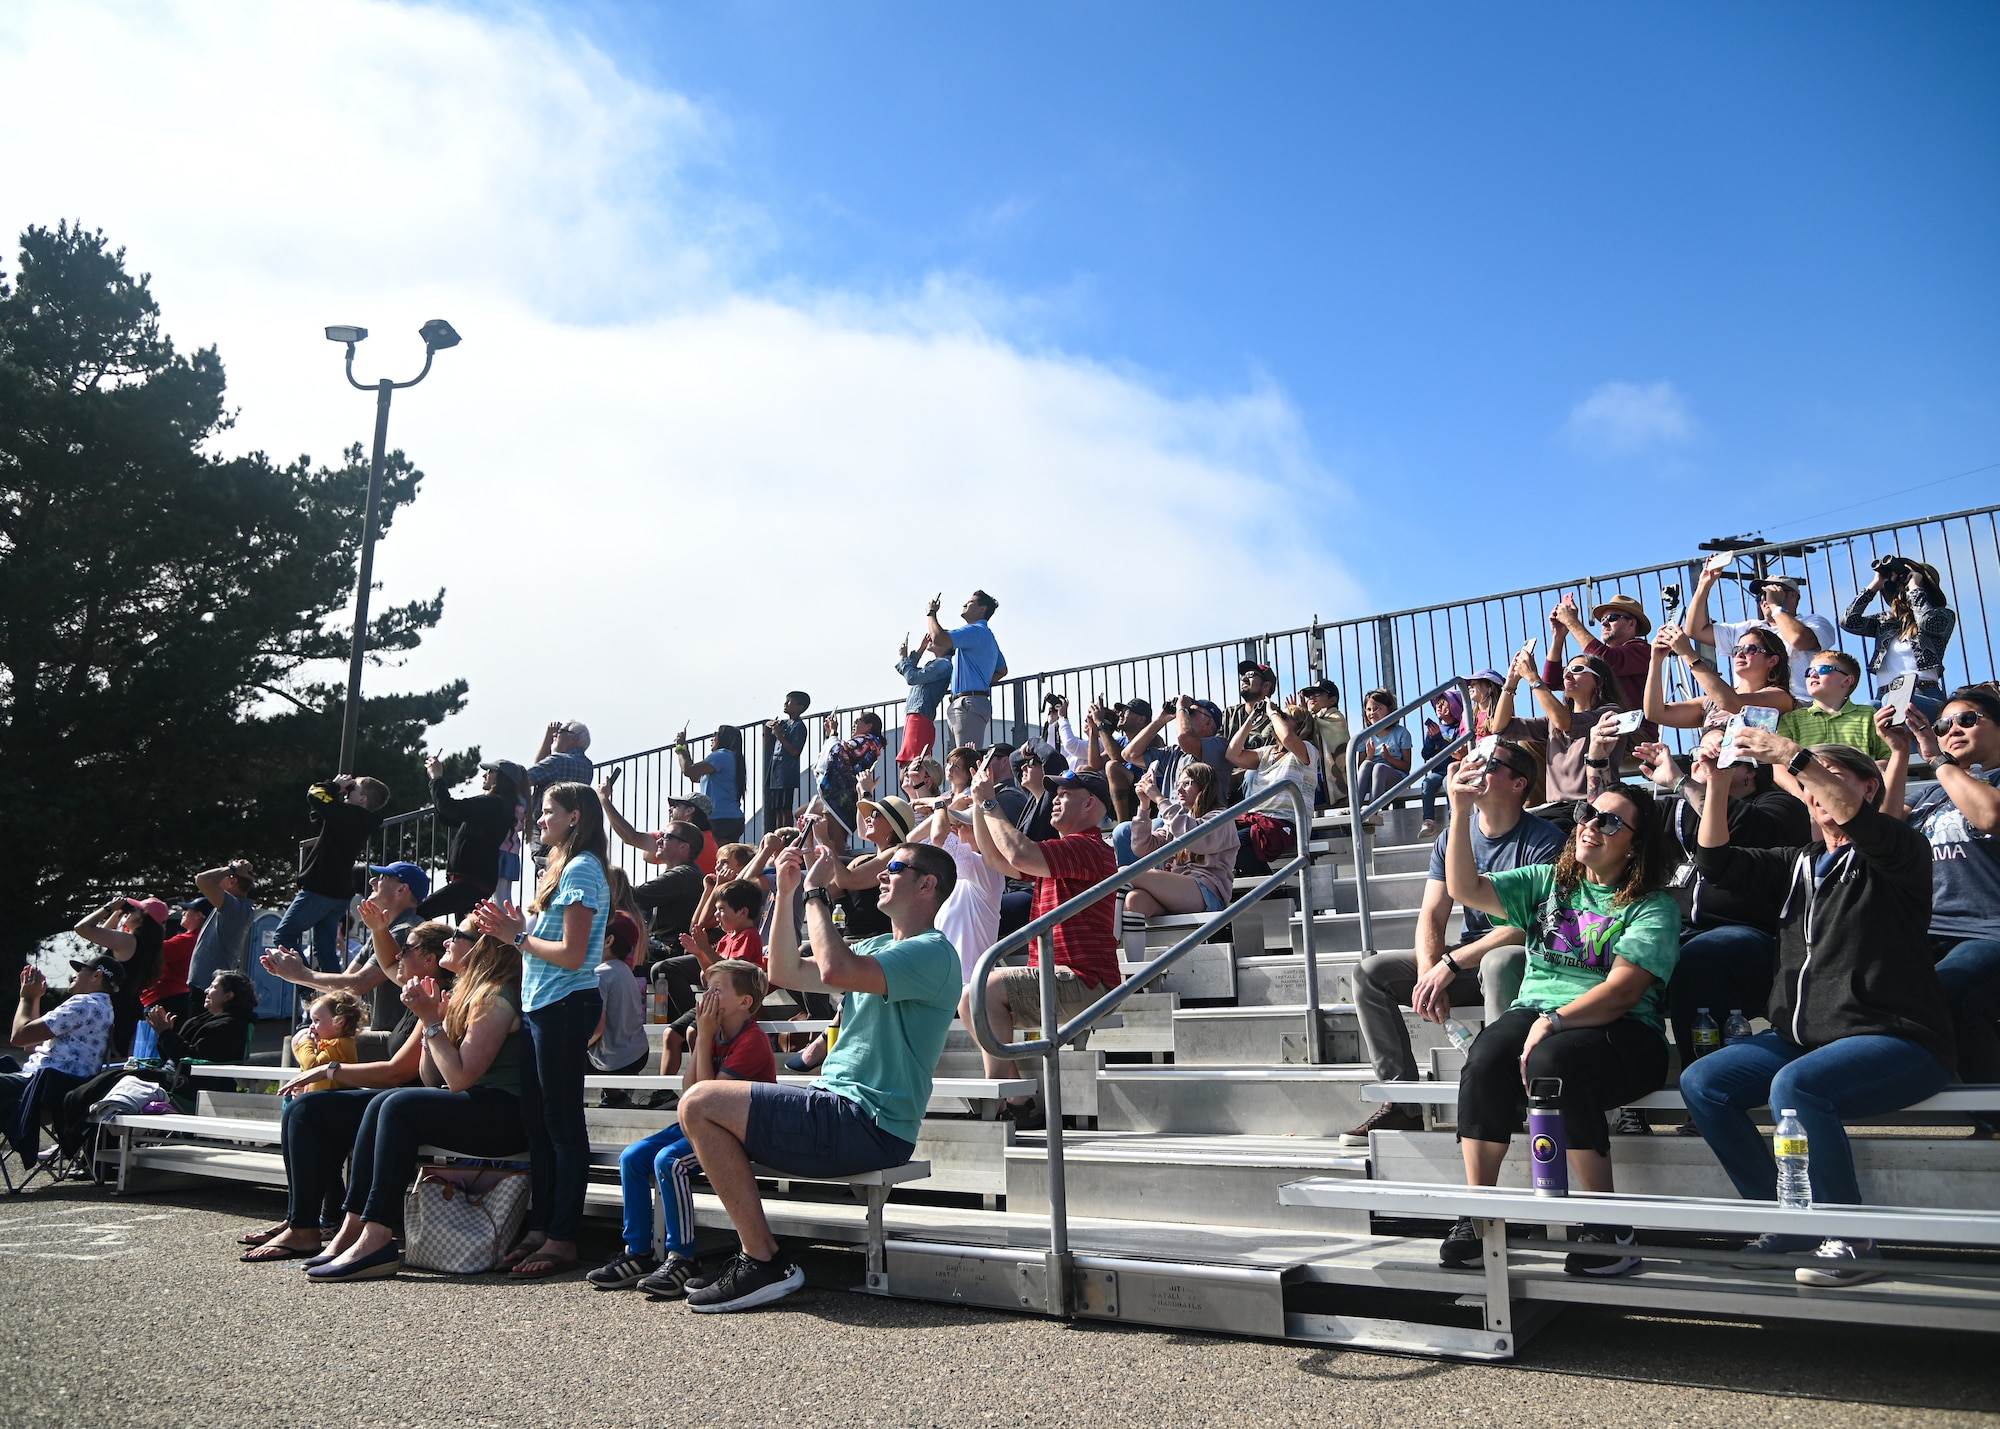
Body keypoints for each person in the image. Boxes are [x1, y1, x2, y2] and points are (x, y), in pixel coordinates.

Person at [1680, 732, 1955, 1286]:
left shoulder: (1899, 849)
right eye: (1809, 783)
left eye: (1827, 777)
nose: (1814, 788)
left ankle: (1851, 1237)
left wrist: (1790, 756)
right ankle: (1790, 1220)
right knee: (1704, 1082)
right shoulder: (1797, 862)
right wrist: (1713, 783)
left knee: (1796, 1088)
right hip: (1805, 1037)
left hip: (1896, 1037)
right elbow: (1713, 858)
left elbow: (1854, 815)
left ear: (1869, 789)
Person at [674, 839, 961, 1312]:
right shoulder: (876, 946)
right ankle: (757, 1258)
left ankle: (762, 1261)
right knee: (700, 1106)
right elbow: (783, 971)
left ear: (927, 884)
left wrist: (815, 893)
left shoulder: (933, 952)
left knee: (700, 1102)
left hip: (867, 1121)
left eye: (894, 867)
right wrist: (787, 890)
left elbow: (834, 966)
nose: (882, 874)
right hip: (838, 1110)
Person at [1437, 770, 1681, 1277]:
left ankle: (1607, 1226)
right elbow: (1465, 887)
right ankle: (1480, 1214)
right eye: (1588, 813)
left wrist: (1554, 1020)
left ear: (1637, 846)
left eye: (1610, 821)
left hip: (1625, 1031)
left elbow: (1623, 991)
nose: (1591, 825)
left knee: (1554, 1061)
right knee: (1484, 1057)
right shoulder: (1550, 882)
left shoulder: (1652, 906)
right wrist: (1460, 810)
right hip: (1541, 1015)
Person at [1343, 739, 1566, 1146]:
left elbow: (1530, 925)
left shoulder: (1546, 840)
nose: (1474, 767)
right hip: (1466, 959)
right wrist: (1430, 971)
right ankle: (1402, 1103)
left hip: (1525, 957)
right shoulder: (1452, 836)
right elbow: (1431, 914)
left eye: (1490, 764)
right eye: (1473, 760)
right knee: (1371, 972)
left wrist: (1450, 964)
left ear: (1519, 784)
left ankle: (1505, 1098)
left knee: (1501, 961)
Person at [302, 934, 529, 1281]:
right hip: (478, 1105)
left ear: (481, 947)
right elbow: (430, 1076)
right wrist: (429, 1022)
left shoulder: (494, 997)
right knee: (382, 1103)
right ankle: (354, 1227)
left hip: (504, 1114)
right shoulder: (463, 996)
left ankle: (376, 1238)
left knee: (398, 1105)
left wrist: (432, 1021)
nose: (450, 940)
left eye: (460, 935)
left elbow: (459, 1079)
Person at [236, 935, 447, 1261]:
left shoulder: (433, 998)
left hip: (411, 1102)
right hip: (394, 1098)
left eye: (407, 948)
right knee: (301, 1109)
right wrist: (377, 926)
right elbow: (386, 961)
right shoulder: (414, 987)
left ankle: (323, 1224)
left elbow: (396, 1072)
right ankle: (301, 1222)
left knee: (311, 1110)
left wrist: (329, 1071)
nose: (397, 954)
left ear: (431, 960)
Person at [474, 781, 611, 1279]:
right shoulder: (560, 867)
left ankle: (563, 1237)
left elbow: (575, 955)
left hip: (563, 1004)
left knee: (561, 1125)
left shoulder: (582, 868)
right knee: (537, 1122)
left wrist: (518, 937)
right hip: (541, 1005)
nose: (539, 820)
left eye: (549, 811)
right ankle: (541, 1227)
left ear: (575, 817)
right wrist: (509, 934)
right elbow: (543, 946)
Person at [1626, 726, 1811, 1083]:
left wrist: (1686, 782)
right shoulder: (1674, 809)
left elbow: (1741, 832)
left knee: (1704, 956)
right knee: (1614, 950)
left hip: (1749, 936)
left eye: (1723, 753)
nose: (1704, 760)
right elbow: (1615, 821)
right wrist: (1599, 759)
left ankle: (1707, 1084)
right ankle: (1628, 1085)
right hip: (1676, 929)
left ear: (1749, 771)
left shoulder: (1781, 806)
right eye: (1701, 753)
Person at [588, 959, 779, 1297]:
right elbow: (690, 1095)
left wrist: (702, 1040)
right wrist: (700, 1041)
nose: (707, 997)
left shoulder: (752, 1041)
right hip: (704, 1124)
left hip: (737, 1134)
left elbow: (710, 1100)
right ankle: (639, 1253)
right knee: (633, 1157)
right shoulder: (711, 1035)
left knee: (670, 1162)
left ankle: (683, 1257)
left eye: (717, 990)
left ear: (744, 1002)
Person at [965, 765, 1121, 1129]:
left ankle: (1002, 1097)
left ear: (1090, 804)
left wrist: (990, 801)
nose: (1055, 799)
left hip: (1086, 981)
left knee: (981, 991)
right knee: (969, 997)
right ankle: (1016, 1100)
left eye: (1065, 794)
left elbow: (1018, 854)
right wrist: (977, 802)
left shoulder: (1089, 846)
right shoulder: (1067, 849)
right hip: (1060, 977)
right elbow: (996, 859)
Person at [1889, 686, 2000, 1123]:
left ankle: (1992, 1118)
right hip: (1928, 932)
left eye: (1967, 719)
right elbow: (1886, 828)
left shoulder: (1960, 779)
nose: (1952, 729)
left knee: (1949, 988)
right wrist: (1901, 751)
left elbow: (1989, 816)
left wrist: (1937, 759)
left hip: (1988, 932)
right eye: (1943, 724)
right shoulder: (1934, 792)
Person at [261, 865, 430, 1036]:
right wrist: (293, 973)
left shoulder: (406, 931)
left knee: (311, 1042)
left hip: (398, 1036)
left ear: (402, 889)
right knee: (306, 1038)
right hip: (388, 1034)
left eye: (382, 878)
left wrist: (299, 974)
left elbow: (358, 983)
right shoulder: (386, 929)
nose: (372, 881)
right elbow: (345, 985)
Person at [1493, 647, 1631, 824]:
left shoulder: (1610, 714)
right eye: (1566, 670)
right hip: (1555, 810)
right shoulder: (1554, 722)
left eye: (1577, 670)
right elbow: (1501, 728)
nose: (1567, 675)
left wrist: (1534, 678)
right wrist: (1511, 683)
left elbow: (1566, 723)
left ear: (1599, 681)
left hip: (1592, 809)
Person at [2, 959, 118, 1164]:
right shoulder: (104, 1008)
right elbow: (31, 1045)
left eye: (80, 970)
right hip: (56, 1091)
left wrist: (27, 998)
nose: (73, 974)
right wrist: (36, 997)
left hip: (40, 1089)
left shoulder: (83, 1004)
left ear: (96, 975)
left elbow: (19, 1036)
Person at [276, 774, 391, 972]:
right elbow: (318, 815)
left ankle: (307, 991)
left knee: (284, 936)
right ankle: (336, 1000)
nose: (347, 789)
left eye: (352, 788)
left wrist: (334, 786)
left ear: (362, 799)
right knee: (324, 951)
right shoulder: (356, 819)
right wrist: (336, 794)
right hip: (338, 895)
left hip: (319, 889)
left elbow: (315, 793)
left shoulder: (349, 815)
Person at [1684, 561, 1838, 703]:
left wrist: (1776, 607)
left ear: (1793, 595)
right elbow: (1695, 630)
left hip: (1798, 703)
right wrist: (1704, 585)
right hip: (1750, 704)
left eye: (1773, 591)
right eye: (1762, 594)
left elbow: (1798, 639)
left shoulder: (1814, 622)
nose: (1765, 598)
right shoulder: (1748, 629)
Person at [1842, 555, 1957, 720]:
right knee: (1868, 711)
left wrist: (1916, 587)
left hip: (1923, 693)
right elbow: (1848, 622)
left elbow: (1927, 622)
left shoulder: (1943, 615)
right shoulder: (1885, 622)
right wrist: (1876, 585)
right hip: (1884, 695)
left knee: (1893, 703)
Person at [1124, 762, 1239, 917]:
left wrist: (1159, 799)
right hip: (1179, 889)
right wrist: (1144, 806)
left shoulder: (1222, 818)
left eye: (1186, 784)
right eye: (1178, 784)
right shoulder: (1178, 821)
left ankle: (1108, 938)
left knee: (1125, 873)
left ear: (1205, 786)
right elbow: (1142, 848)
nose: (1179, 790)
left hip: (1207, 891)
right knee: (1135, 901)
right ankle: (1124, 941)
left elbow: (1194, 838)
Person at [420, 756, 523, 919]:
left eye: (490, 771)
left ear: (501, 778)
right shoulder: (500, 805)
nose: (484, 775)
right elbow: (448, 815)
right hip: (476, 881)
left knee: (422, 911)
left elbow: (448, 808)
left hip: (471, 881)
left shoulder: (494, 804)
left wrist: (436, 777)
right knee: (464, 935)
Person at [1226, 695, 1320, 873]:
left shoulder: (1307, 750)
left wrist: (1272, 712)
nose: (1277, 718)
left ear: (1300, 725)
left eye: (1284, 717)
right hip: (1257, 820)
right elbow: (1232, 754)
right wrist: (1251, 720)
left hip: (1286, 822)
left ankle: (1274, 892)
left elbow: (1288, 739)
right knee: (1216, 836)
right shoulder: (1267, 752)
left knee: (1238, 843)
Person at [1643, 621, 1795, 729]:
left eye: (1749, 649)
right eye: (1736, 650)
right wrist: (1656, 660)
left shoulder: (1779, 697)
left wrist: (1688, 654)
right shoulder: (1711, 702)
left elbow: (1734, 704)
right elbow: (1655, 713)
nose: (1740, 654)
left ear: (1772, 660)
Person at [71, 894, 166, 1057]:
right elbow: (103, 937)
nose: (128, 911)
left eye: (134, 909)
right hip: (127, 1009)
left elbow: (82, 928)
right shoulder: (147, 946)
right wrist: (118, 913)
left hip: (111, 1009)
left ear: (143, 919)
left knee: (92, 1057)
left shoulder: (128, 940)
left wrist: (109, 908)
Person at [1542, 591, 1654, 723]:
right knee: (1529, 742)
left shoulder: (1642, 650)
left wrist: (1572, 622)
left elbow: (1608, 661)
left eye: (1612, 617)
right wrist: (1558, 636)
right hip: (1597, 727)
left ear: (1631, 623)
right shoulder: (1602, 658)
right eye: (1603, 619)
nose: (1604, 623)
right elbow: (1551, 680)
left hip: (1630, 731)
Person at [1774, 650, 1893, 763]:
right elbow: (1779, 762)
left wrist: (1869, 774)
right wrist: (1796, 785)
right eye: (1809, 672)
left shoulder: (1869, 715)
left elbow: (1887, 756)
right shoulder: (1791, 720)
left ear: (1847, 681)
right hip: (1808, 783)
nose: (1813, 675)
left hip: (1857, 783)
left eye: (1823, 669)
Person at [927, 590, 1007, 751]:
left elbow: (939, 638)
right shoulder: (987, 635)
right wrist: (979, 681)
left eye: (970, 602)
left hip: (967, 704)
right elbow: (1002, 670)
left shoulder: (975, 630)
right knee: (960, 760)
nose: (965, 604)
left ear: (982, 609)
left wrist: (931, 613)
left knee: (965, 759)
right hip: (971, 702)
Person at [589, 911, 652, 1095]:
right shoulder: (624, 970)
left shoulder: (600, 975)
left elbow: (597, 1029)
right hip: (638, 1053)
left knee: (566, 1053)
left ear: (608, 941)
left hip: (615, 1060)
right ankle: (616, 1095)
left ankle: (614, 1096)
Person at [184, 858, 258, 995]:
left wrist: (233, 868)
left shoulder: (235, 908)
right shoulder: (238, 908)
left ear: (232, 881)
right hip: (208, 986)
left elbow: (202, 879)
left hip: (207, 988)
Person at [818, 711, 886, 837]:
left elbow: (838, 754)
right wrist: (831, 734)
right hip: (841, 792)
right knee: (806, 816)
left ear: (868, 726)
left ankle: (836, 854)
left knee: (835, 841)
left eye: (857, 722)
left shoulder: (868, 742)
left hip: (840, 794)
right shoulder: (869, 743)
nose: (853, 725)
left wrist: (833, 732)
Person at [676, 724, 749, 844]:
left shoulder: (722, 755)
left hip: (717, 818)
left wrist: (680, 749)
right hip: (732, 818)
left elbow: (689, 771)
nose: (713, 737)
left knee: (708, 856)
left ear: (724, 738)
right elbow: (695, 776)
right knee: (725, 858)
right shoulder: (733, 758)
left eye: (716, 734)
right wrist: (684, 748)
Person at [291, 990, 366, 1094]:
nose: (311, 1026)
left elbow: (312, 1067)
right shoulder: (331, 1044)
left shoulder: (339, 1045)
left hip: (331, 1103)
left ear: (339, 1021)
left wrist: (305, 1042)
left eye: (317, 1020)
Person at [896, 634, 953, 768]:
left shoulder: (943, 664)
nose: (932, 638)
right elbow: (907, 672)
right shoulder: (939, 664)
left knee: (913, 761)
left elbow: (912, 677)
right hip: (918, 714)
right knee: (911, 760)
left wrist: (904, 658)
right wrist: (919, 650)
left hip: (919, 715)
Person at [1350, 688, 1413, 810]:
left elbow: (1406, 767)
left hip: (1396, 778)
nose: (1372, 713)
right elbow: (1361, 767)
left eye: (1377, 708)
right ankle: (1354, 809)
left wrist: (1388, 758)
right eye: (1369, 709)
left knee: (1379, 768)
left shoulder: (1401, 732)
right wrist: (1369, 757)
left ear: (1389, 710)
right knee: (1367, 764)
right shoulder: (1364, 735)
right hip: (1372, 780)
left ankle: (1372, 811)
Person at [1417, 689, 1466, 837]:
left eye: (1444, 704)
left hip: (1453, 771)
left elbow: (1455, 753)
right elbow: (1425, 754)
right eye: (1437, 703)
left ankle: (1454, 818)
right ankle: (1428, 822)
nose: (1438, 706)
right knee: (1427, 783)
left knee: (1448, 783)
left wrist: (1439, 738)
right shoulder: (1436, 729)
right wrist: (1431, 740)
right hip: (1437, 771)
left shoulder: (1458, 730)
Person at [763, 692, 811, 830]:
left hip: (786, 772)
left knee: (785, 808)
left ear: (800, 706)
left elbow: (795, 751)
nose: (785, 704)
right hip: (775, 772)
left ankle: (786, 836)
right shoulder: (784, 724)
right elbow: (769, 743)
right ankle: (779, 835)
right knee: (777, 809)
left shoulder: (799, 726)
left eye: (789, 701)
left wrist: (779, 734)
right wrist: (769, 728)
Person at [1299, 680, 1351, 807]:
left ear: (1332, 700)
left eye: (1317, 693)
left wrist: (1302, 715)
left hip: (1329, 781)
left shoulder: (1336, 718)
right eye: (1309, 694)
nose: (1311, 697)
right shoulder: (1313, 720)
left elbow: (1314, 725)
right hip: (1316, 778)